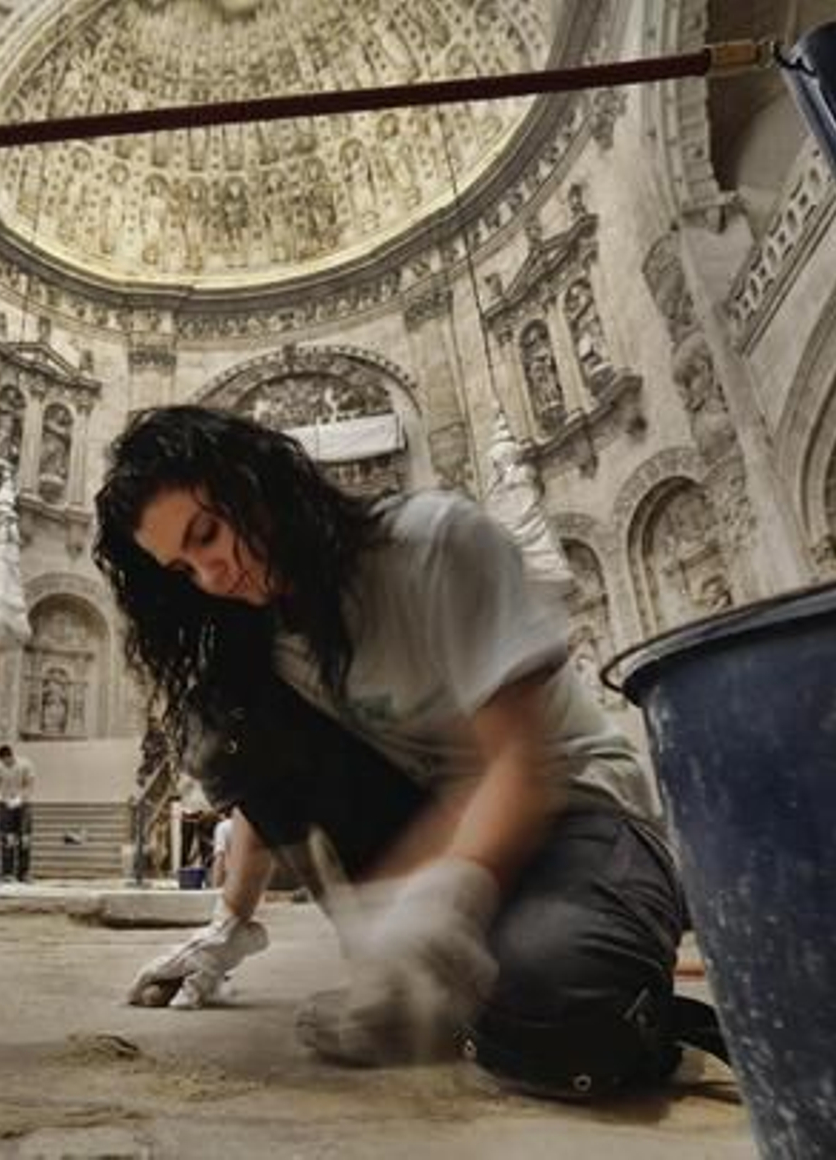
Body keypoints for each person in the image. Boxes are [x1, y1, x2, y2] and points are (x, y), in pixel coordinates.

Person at [92, 406, 718, 1101]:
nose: (211, 574)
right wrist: (227, 927)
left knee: (565, 1012)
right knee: (225, 705)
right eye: (181, 568)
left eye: (208, 534)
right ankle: (432, 981)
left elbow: (522, 764)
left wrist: (450, 891)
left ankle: (611, 924)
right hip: (438, 826)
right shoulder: (257, 637)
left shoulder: (434, 544)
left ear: (255, 482)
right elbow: (264, 788)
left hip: (568, 810)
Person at [0, 743, 35, 881]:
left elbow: (30, 784)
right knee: (8, 840)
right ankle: (8, 873)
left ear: (10, 756)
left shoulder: (25, 764)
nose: (4, 764)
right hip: (6, 806)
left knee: (24, 839)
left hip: (23, 806)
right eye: (2, 762)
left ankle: (24, 873)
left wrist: (20, 798)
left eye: (6, 761)